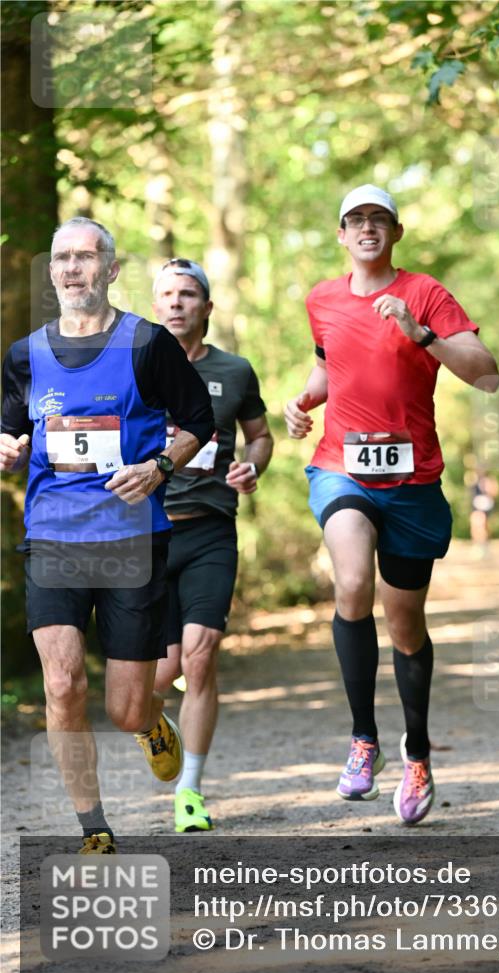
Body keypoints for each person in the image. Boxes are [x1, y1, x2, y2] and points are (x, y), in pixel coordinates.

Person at [284, 184, 499, 825]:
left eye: (379, 220)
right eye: (356, 221)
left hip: (412, 482)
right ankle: (363, 741)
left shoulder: (425, 292)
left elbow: (486, 372)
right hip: (341, 468)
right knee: (352, 582)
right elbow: (331, 367)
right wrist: (303, 403)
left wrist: (422, 332)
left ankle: (416, 752)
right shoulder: (321, 298)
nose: (367, 229)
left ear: (396, 233)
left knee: (405, 624)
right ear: (342, 235)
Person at [0, 218, 215, 853]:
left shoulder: (148, 345)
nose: (71, 269)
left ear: (112, 271)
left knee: (126, 708)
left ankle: (151, 724)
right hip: (53, 538)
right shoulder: (23, 354)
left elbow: (198, 420)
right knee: (63, 682)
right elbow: (10, 427)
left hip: (130, 542)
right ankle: (94, 828)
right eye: (61, 258)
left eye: (86, 258)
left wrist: (160, 466)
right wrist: (7, 447)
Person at [152, 258, 273, 833]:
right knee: (154, 679)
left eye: (189, 294)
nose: (177, 303)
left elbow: (260, 437)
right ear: (156, 306)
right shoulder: (129, 368)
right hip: (145, 533)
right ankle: (154, 723)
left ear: (207, 306)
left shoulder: (235, 370)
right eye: (168, 294)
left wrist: (252, 467)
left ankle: (189, 792)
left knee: (200, 658)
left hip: (209, 530)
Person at [469, 467, 499, 557]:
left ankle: (483, 546)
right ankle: (478, 545)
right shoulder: (474, 480)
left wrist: (488, 487)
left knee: (483, 526)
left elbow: (494, 493)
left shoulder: (489, 481)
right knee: (476, 526)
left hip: (485, 506)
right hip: (476, 506)